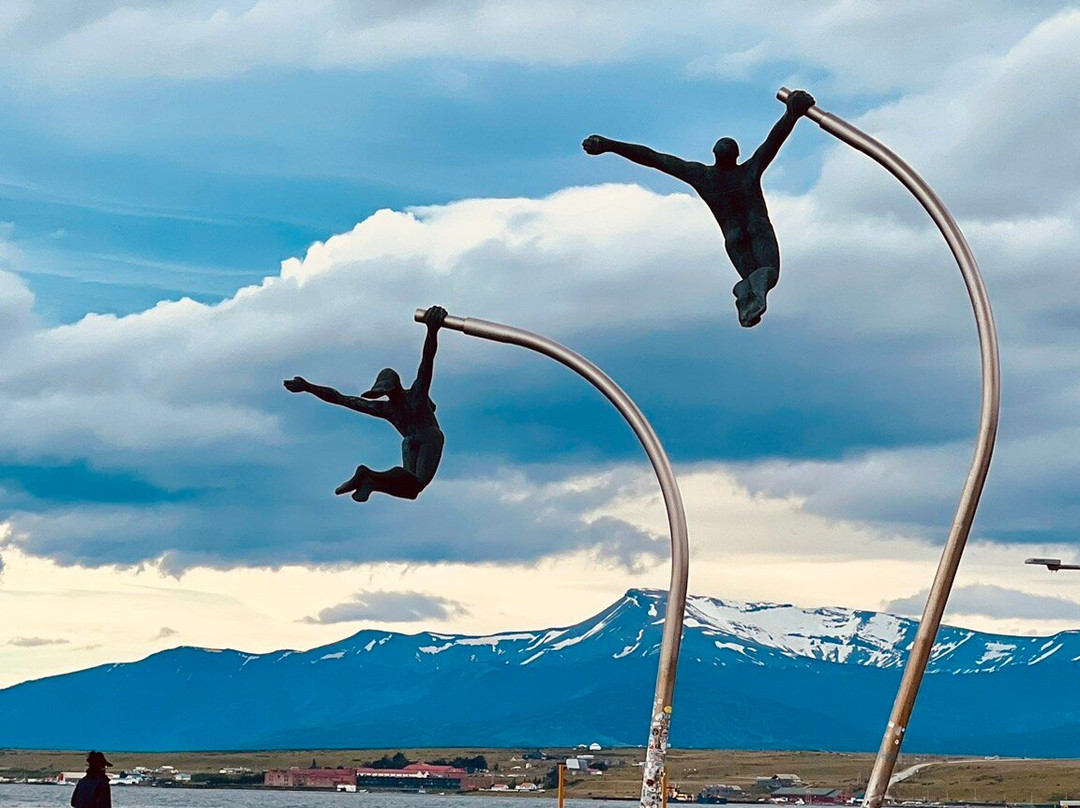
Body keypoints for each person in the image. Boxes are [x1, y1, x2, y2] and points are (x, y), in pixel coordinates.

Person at [582, 89, 816, 328]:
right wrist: (792, 113)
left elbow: (653, 157)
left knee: (753, 277)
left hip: (733, 238)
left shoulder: (702, 177)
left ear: (713, 155)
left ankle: (746, 293)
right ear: (737, 155)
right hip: (759, 230)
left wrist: (609, 145)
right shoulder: (748, 171)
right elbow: (773, 141)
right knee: (769, 273)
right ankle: (750, 293)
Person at [284, 305, 447, 502]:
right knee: (417, 484)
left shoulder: (386, 408)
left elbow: (341, 398)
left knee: (411, 491)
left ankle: (371, 481)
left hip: (409, 441)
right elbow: (427, 361)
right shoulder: (416, 395)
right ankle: (368, 474)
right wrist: (432, 330)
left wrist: (308, 387)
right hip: (429, 436)